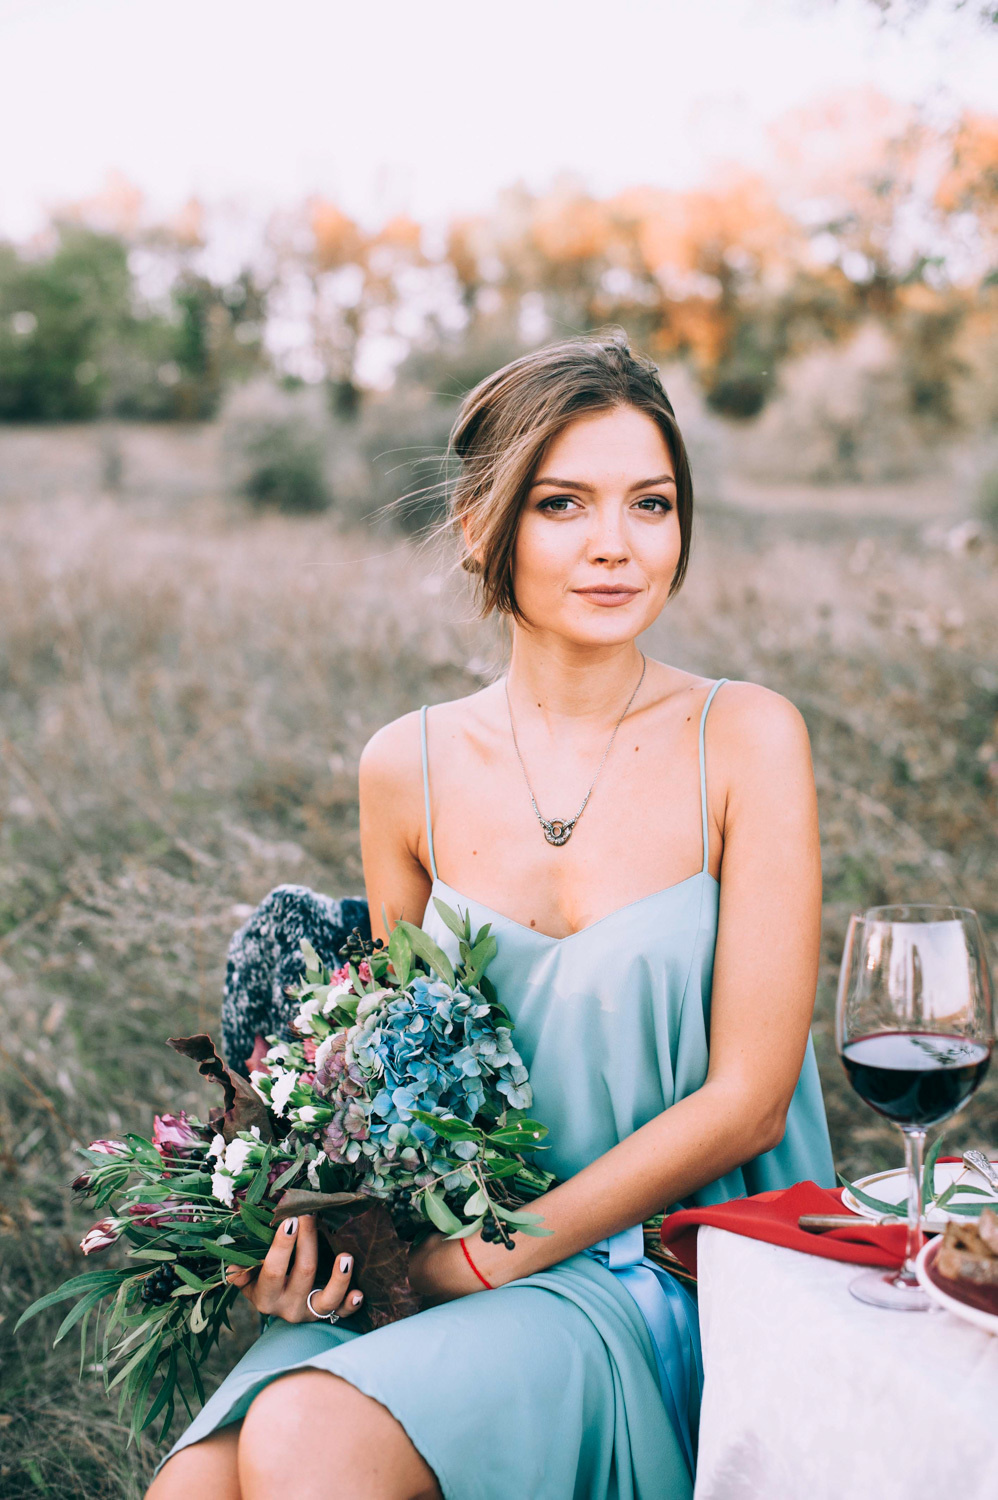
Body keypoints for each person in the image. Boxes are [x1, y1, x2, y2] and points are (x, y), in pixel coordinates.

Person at [147, 331, 835, 1500]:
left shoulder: (744, 738)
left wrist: (479, 1259)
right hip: (451, 1256)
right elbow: (379, 1087)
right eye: (562, 503)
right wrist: (312, 1234)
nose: (615, 544)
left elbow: (747, 1098)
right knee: (198, 1487)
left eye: (650, 503)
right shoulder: (403, 765)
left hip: (661, 1261)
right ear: (483, 525)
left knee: (309, 1440)